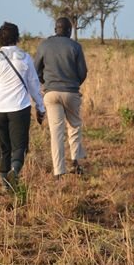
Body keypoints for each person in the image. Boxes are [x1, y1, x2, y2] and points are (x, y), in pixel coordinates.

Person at [0, 22, 46, 192]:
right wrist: (40, 108)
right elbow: (34, 85)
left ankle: (6, 183)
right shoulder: (25, 57)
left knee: (3, 147)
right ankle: (15, 171)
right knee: (19, 146)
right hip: (20, 108)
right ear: (18, 37)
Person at [34, 17, 88, 179]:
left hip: (51, 93)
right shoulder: (75, 46)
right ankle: (76, 161)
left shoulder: (44, 45)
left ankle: (58, 171)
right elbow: (83, 72)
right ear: (69, 31)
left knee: (56, 132)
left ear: (55, 29)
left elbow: (36, 70)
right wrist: (74, 84)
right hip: (71, 92)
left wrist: (47, 83)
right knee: (74, 126)